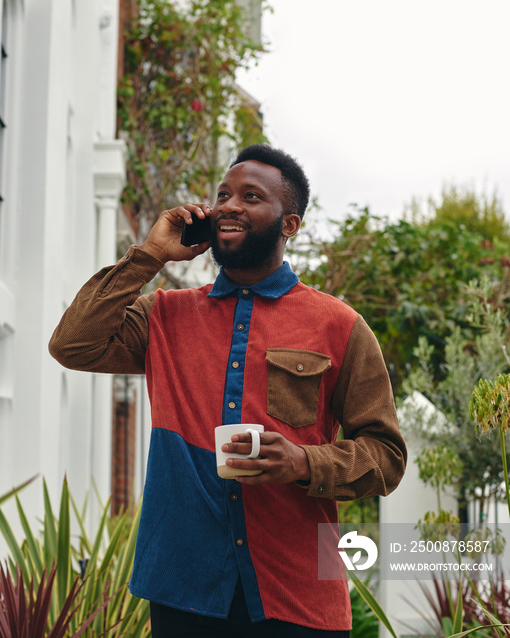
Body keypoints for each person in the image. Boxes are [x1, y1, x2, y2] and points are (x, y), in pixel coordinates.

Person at [49, 144, 407, 637]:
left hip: (299, 594)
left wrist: (304, 462)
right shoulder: (165, 316)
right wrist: (149, 256)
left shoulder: (340, 326)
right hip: (183, 590)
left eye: (252, 196)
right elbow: (72, 344)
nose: (229, 205)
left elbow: (387, 455)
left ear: (289, 224)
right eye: (223, 194)